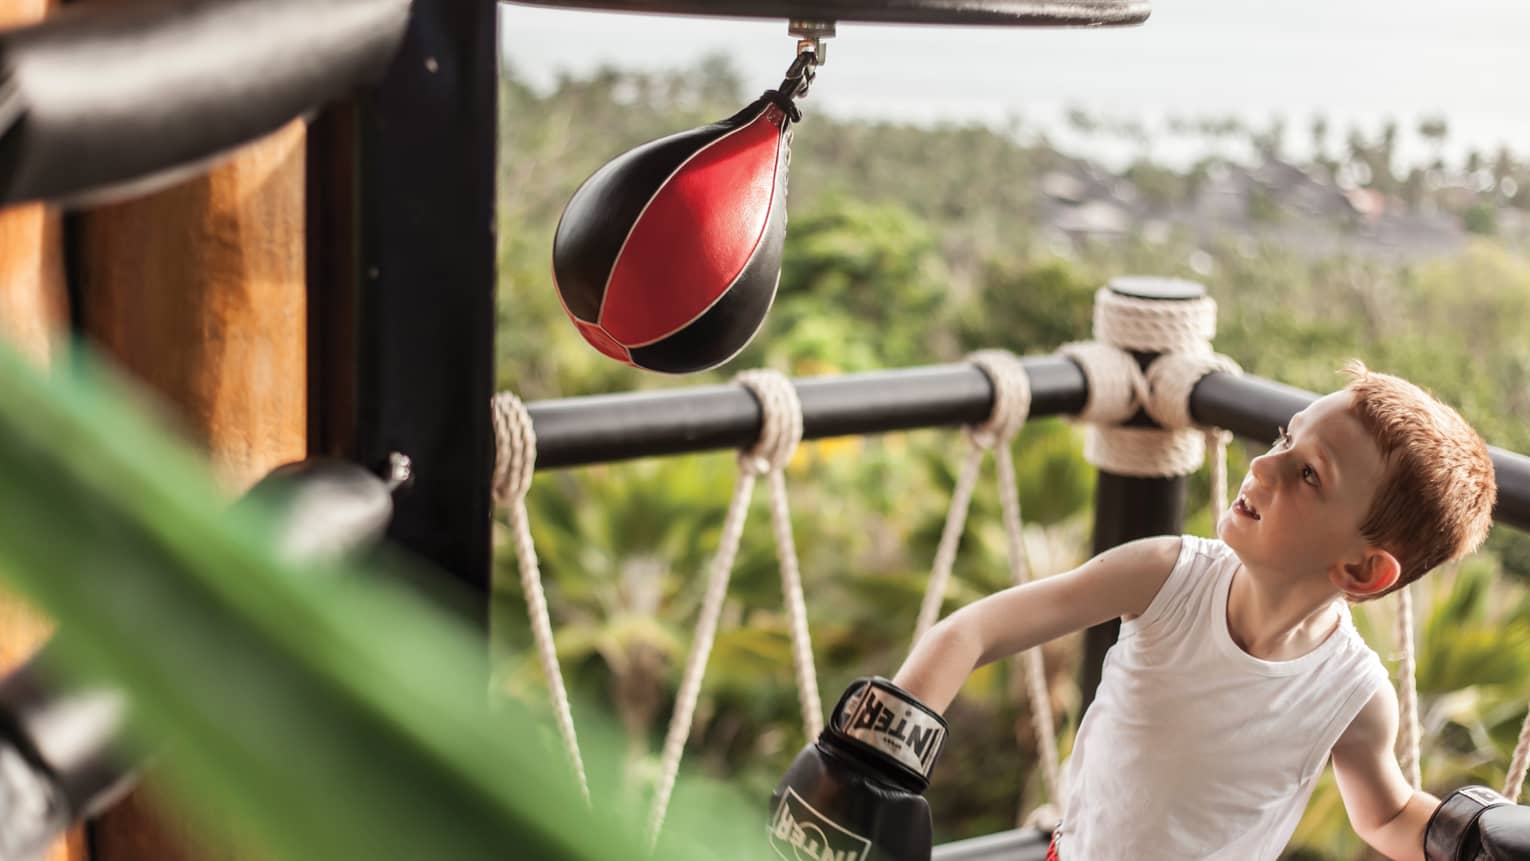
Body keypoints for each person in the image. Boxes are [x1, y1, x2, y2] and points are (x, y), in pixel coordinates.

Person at [768, 362, 1530, 860]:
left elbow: (1386, 812)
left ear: (1363, 569)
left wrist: (1468, 834)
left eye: (1306, 473)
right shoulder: (1169, 574)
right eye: (1282, 437)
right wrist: (876, 762)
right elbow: (974, 628)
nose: (1262, 465)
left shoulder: (1353, 694)